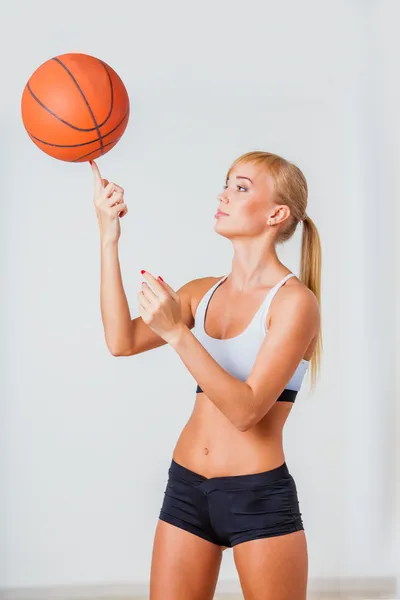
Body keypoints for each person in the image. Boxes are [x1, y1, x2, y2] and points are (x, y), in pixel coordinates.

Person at [90, 150, 322, 600]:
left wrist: (178, 335)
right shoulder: (202, 292)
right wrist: (108, 235)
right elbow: (120, 341)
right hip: (186, 489)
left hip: (257, 497)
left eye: (241, 187)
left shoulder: (295, 303)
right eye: (226, 183)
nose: (224, 194)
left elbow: (247, 411)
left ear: (277, 213)